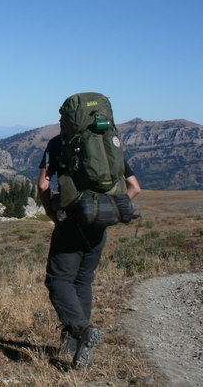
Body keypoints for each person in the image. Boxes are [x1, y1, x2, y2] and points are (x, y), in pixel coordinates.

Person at [37, 133, 141, 369]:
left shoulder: (59, 143)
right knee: (82, 281)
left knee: (58, 280)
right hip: (100, 223)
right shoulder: (106, 144)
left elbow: (44, 184)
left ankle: (83, 330)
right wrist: (110, 208)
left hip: (71, 221)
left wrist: (51, 213)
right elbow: (135, 187)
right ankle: (73, 346)